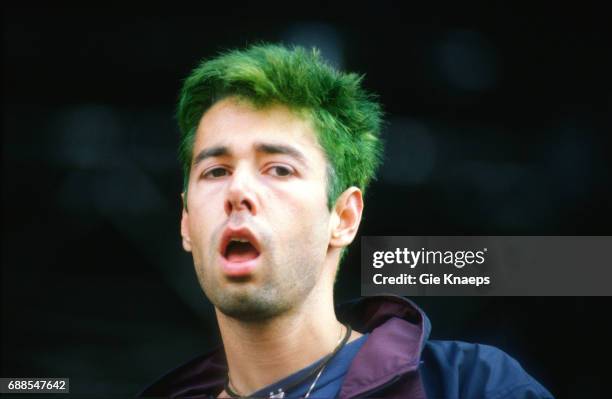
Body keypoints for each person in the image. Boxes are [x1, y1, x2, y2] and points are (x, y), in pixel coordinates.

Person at [140, 44, 553, 398]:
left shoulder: (471, 385)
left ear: (344, 217)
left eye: (279, 169)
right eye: (216, 171)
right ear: (186, 222)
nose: (238, 191)